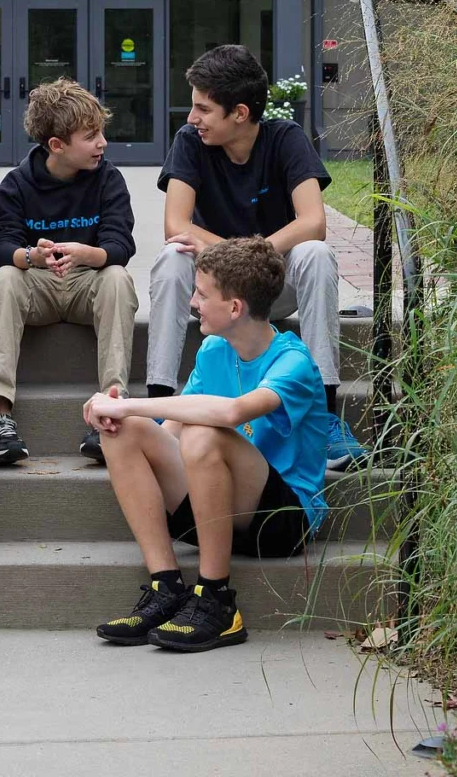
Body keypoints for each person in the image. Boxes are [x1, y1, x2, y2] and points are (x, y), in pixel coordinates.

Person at [84, 237, 329, 652]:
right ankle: (166, 586)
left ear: (235, 308)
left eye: (202, 293)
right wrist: (121, 415)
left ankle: (216, 598)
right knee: (124, 430)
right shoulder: (215, 349)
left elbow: (232, 414)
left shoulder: (293, 363)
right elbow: (175, 425)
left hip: (281, 521)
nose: (194, 302)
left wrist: (134, 405)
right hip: (215, 505)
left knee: (204, 431)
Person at [148, 44, 342, 421]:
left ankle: (324, 414)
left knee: (316, 254)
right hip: (211, 292)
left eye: (203, 109)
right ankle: (159, 399)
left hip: (270, 290)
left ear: (240, 113)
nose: (191, 118)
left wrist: (247, 255)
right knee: (173, 257)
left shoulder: (286, 139)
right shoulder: (189, 142)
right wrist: (241, 254)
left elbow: (313, 223)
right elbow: (177, 226)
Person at [0, 78, 138, 467]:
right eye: (91, 136)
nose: (102, 143)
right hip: (39, 287)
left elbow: (121, 246)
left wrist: (90, 254)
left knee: (118, 278)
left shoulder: (108, 179)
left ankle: (111, 408)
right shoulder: (18, 183)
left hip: (89, 284)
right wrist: (31, 256)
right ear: (57, 145)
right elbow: (0, 247)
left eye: (101, 132)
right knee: (3, 280)